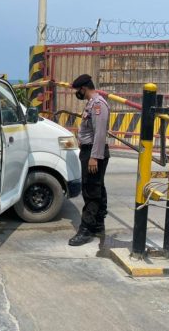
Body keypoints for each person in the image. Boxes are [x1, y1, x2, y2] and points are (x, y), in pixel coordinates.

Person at [68, 74, 111, 246]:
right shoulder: (92, 103)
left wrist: (94, 157)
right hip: (90, 151)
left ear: (83, 88)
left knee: (91, 190)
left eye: (78, 90)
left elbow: (100, 134)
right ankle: (99, 224)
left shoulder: (98, 105)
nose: (77, 93)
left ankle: (86, 229)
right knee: (98, 187)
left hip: (94, 152)